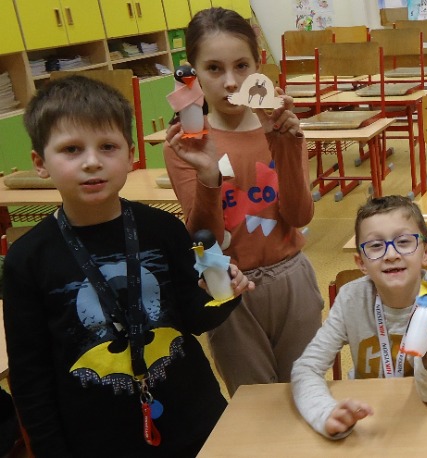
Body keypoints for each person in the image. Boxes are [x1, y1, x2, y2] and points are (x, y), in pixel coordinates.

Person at [3, 75, 254, 456]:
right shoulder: (27, 259)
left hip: (193, 418)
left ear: (130, 154)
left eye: (108, 147)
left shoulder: (163, 229)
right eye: (71, 149)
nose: (92, 162)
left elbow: (194, 317)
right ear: (40, 163)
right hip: (96, 439)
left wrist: (226, 294)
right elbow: (29, 375)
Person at [162, 7, 323, 396]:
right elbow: (207, 239)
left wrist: (286, 144)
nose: (231, 82)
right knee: (254, 401)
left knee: (307, 391)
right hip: (229, 286)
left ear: (258, 65)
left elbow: (299, 215)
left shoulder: (280, 125)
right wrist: (208, 176)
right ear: (193, 73)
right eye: (214, 69)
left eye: (241, 66)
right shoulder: (187, 144)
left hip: (291, 276)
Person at [291, 196, 427, 439]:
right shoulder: (351, 298)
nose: (391, 254)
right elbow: (306, 368)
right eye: (376, 246)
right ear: (361, 263)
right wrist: (325, 413)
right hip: (368, 415)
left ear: (426, 252)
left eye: (404, 241)